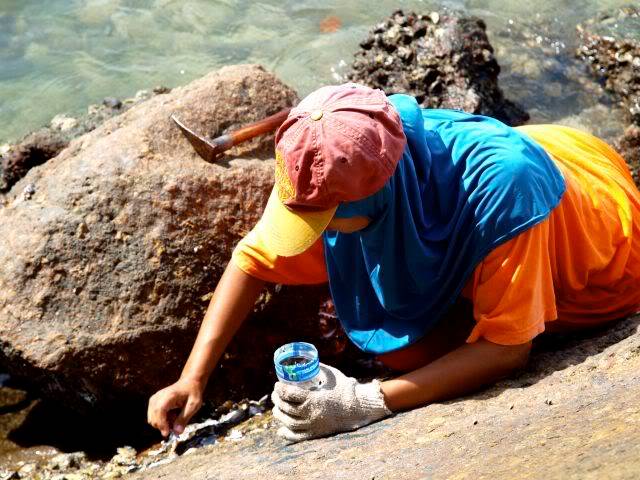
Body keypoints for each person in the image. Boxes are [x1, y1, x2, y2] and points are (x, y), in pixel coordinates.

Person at [147, 84, 640, 442]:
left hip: (608, 254)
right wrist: (193, 378)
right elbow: (254, 260)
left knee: (423, 353)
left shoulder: (502, 194)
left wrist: (365, 403)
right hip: (562, 145)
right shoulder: (356, 147)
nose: (314, 239)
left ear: (376, 204)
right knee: (406, 347)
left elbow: (508, 350)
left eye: (325, 225)